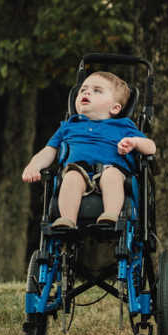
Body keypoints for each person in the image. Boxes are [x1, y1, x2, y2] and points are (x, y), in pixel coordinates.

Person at [22, 71, 156, 229]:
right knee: (72, 176)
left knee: (111, 176)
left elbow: (151, 147)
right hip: (78, 170)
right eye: (83, 89)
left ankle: (111, 215)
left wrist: (134, 142)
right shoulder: (69, 126)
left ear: (115, 108)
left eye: (97, 90)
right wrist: (33, 166)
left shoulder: (123, 126)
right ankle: (67, 220)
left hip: (112, 169)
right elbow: (48, 151)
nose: (86, 92)